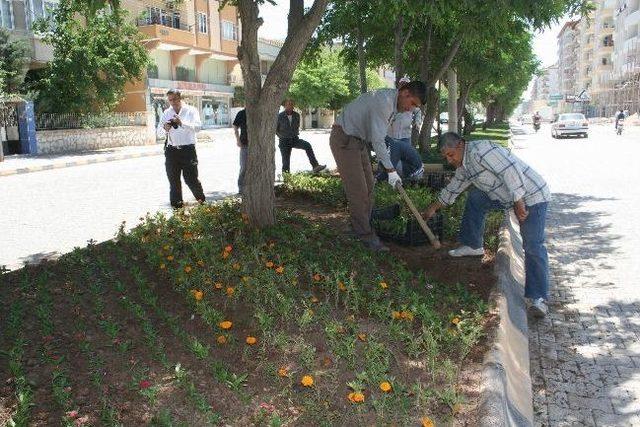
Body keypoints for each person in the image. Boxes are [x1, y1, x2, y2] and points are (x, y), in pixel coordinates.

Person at [423, 132, 551, 317]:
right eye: (446, 158)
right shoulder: (465, 165)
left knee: (533, 244)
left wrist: (519, 201)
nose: (449, 160)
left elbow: (511, 170)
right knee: (476, 197)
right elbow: (454, 187)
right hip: (506, 196)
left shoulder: (481, 151)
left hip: (531, 195)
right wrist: (432, 208)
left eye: (450, 155)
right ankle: (473, 245)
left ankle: (538, 298)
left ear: (460, 145)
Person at [330, 81, 427, 252]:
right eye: (412, 104)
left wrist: (390, 168)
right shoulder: (384, 103)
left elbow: (378, 138)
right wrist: (391, 170)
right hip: (344, 139)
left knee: (369, 187)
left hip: (358, 141)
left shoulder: (392, 103)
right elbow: (378, 140)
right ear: (404, 93)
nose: (411, 109)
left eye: (415, 107)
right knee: (358, 191)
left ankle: (358, 227)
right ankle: (365, 236)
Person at [156, 89, 206, 209]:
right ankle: (177, 210)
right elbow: (159, 133)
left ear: (180, 98)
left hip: (188, 150)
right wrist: (165, 128)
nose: (172, 102)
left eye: (175, 99)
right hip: (171, 151)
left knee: (191, 179)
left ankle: (203, 204)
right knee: (174, 182)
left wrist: (181, 123)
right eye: (170, 100)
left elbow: (198, 127)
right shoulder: (166, 112)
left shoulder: (191, 110)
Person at [276, 99, 326, 174]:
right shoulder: (280, 116)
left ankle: (315, 166)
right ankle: (286, 178)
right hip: (284, 141)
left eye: (292, 104)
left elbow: (297, 126)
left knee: (307, 145)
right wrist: (282, 136)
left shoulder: (296, 115)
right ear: (285, 106)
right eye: (288, 104)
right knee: (285, 162)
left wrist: (294, 134)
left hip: (294, 139)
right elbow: (276, 130)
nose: (290, 106)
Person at [233, 108, 248, 195]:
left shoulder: (259, 111)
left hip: (258, 145)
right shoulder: (241, 113)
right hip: (245, 144)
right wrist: (238, 140)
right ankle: (241, 188)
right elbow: (235, 126)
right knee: (244, 167)